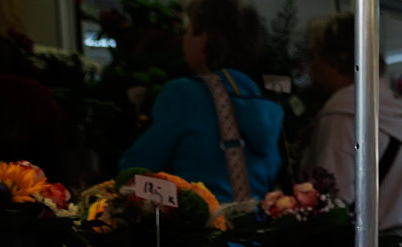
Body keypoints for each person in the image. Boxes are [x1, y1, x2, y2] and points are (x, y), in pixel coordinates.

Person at [118, 0, 284, 206]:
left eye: (188, 32)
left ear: (203, 39)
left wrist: (180, 200)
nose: (183, 40)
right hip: (256, 233)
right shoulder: (266, 107)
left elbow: (134, 173)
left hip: (197, 234)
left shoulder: (184, 94)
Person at [306, 13, 402, 247]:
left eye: (315, 58)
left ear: (337, 60)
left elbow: (333, 200)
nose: (311, 68)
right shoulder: (398, 110)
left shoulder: (342, 111)